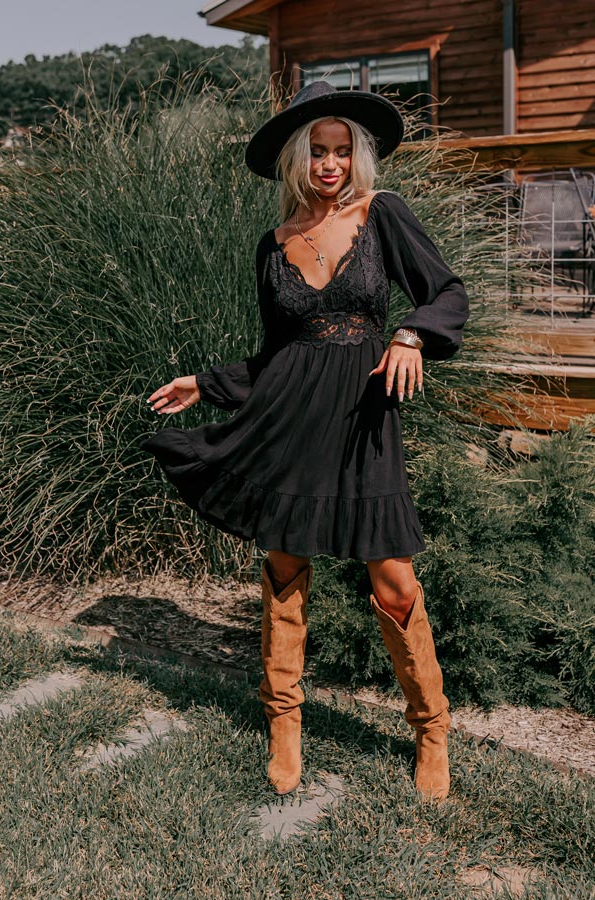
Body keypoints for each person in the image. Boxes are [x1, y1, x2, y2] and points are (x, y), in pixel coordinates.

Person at [140, 81, 469, 802]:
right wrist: (206, 383)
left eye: (341, 150)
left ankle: (431, 728)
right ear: (296, 157)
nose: (329, 163)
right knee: (285, 566)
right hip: (289, 420)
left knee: (394, 579)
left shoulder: (382, 214)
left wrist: (411, 334)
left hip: (365, 420)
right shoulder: (275, 243)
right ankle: (284, 722)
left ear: (358, 156)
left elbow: (447, 293)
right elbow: (276, 358)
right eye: (317, 151)